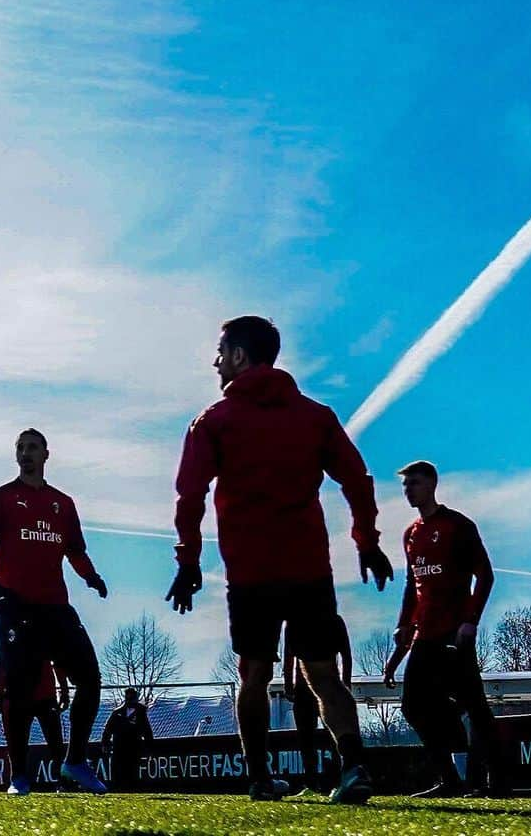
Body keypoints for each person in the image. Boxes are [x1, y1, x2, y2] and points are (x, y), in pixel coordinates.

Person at [167, 316, 394, 803]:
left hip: (250, 574)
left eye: (221, 351)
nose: (215, 361)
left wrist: (188, 561)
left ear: (241, 356)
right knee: (324, 673)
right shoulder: (315, 416)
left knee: (253, 672)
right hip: (309, 568)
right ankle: (354, 767)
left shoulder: (213, 421)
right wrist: (366, 542)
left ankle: (259, 779)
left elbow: (189, 494)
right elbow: (357, 480)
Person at [0, 428, 109, 796]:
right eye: (20, 448)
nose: (25, 453)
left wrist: (91, 577)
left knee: (90, 679)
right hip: (17, 608)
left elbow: (75, 551)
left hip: (56, 607)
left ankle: (75, 761)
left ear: (47, 454)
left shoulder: (62, 504)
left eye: (32, 447)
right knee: (17, 694)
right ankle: (19, 778)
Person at [382, 460, 507, 797]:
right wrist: (402, 630)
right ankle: (448, 779)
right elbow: (412, 587)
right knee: (412, 705)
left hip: (455, 633)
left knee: (475, 705)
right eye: (405, 485)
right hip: (425, 635)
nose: (409, 490)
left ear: (432, 485)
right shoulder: (411, 534)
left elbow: (486, 575)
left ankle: (499, 784)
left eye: (415, 483)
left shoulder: (458, 526)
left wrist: (470, 622)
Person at [283, 614, 352, 796]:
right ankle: (313, 782)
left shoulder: (333, 620)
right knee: (306, 738)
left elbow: (346, 655)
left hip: (328, 687)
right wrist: (288, 684)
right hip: (305, 689)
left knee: (334, 737)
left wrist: (345, 684)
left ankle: (338, 780)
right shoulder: (293, 623)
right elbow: (288, 655)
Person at [0, 657, 68, 785]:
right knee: (19, 744)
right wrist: (1, 694)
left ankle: (64, 780)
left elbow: (57, 659)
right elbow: (4, 662)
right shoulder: (12, 638)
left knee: (56, 742)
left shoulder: (44, 638)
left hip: (46, 697)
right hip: (20, 697)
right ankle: (18, 779)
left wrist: (64, 690)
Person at [100, 687, 154, 791]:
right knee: (117, 771)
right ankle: (117, 789)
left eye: (132, 697)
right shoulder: (117, 713)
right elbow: (108, 729)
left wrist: (149, 747)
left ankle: (132, 789)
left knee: (133, 771)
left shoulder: (141, 713)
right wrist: (105, 743)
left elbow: (147, 731)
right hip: (118, 747)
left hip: (134, 747)